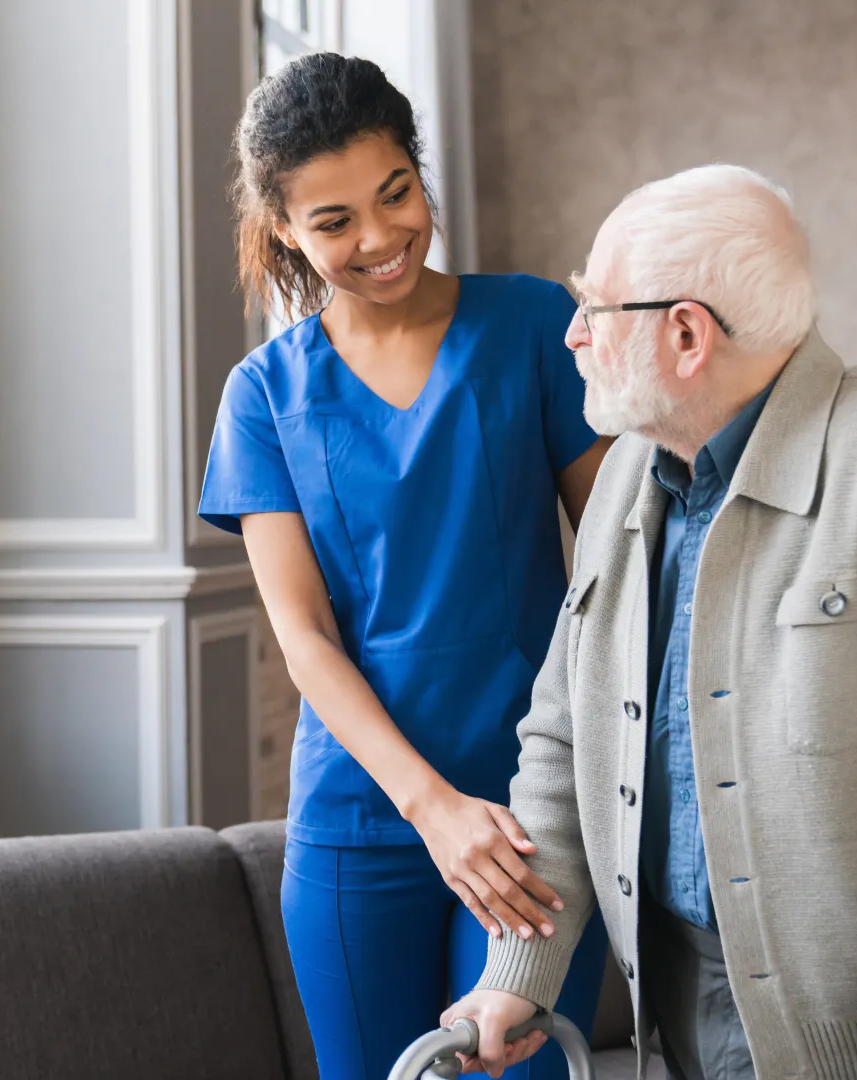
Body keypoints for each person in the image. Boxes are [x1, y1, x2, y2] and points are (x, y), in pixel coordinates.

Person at [442, 164, 857, 1080]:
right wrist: (519, 973)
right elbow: (562, 737)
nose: (574, 333)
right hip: (670, 1004)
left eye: (597, 305)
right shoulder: (629, 472)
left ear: (684, 334)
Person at [198, 53, 613, 1080]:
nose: (381, 238)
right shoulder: (262, 394)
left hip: (535, 810)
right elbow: (303, 638)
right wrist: (431, 809)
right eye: (334, 221)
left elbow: (616, 576)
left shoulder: (531, 329)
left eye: (397, 193)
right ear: (284, 231)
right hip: (358, 820)